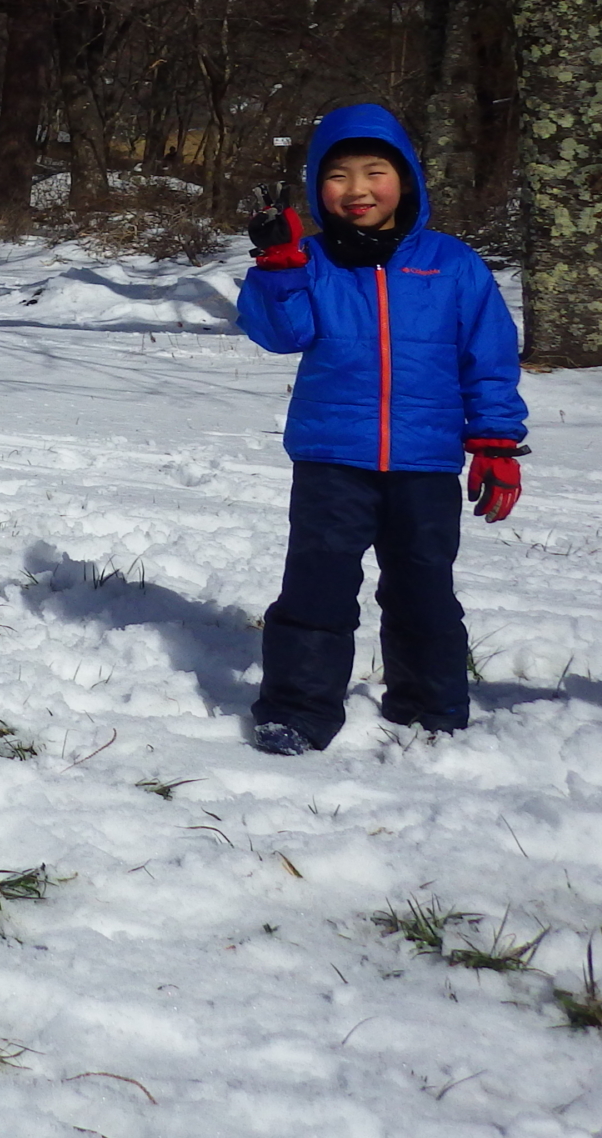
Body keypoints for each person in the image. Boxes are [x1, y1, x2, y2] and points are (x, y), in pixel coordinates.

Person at [235, 103, 528, 755]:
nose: (359, 189)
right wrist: (277, 270)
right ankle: (298, 711)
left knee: (424, 588)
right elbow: (281, 335)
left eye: (375, 171)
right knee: (317, 587)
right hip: (331, 459)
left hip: (425, 465)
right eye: (338, 175)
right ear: (317, 186)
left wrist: (496, 444)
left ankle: (431, 706)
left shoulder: (452, 265)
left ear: (407, 180)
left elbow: (489, 358)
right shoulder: (307, 260)